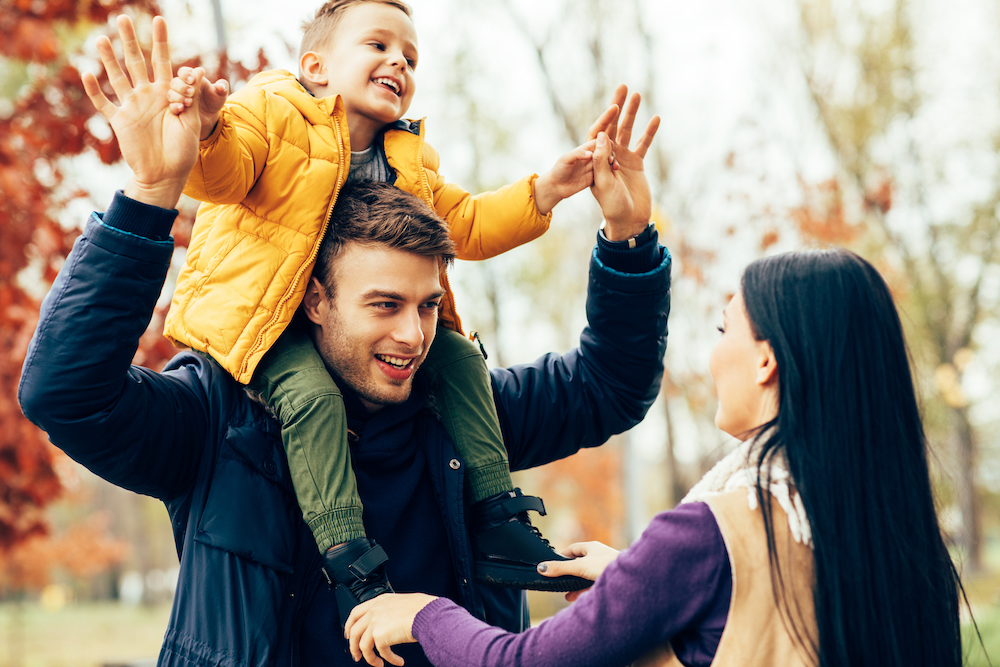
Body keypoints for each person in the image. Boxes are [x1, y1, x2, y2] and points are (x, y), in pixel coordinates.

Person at [17, 14, 668, 667]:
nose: (412, 335)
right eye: (384, 305)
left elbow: (609, 383)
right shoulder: (223, 423)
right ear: (316, 300)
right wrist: (151, 194)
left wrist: (629, 233)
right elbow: (66, 394)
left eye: (428, 305)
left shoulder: (464, 413)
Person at [159, 0, 619, 604]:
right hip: (267, 321)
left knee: (457, 359)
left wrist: (544, 193)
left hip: (354, 324)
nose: (398, 62)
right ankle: (347, 555)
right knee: (311, 398)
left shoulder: (407, 158)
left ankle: (498, 519)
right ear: (317, 67)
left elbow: (465, 223)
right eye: (378, 46)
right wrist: (210, 130)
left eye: (410, 56)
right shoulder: (272, 113)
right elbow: (223, 175)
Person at [343, 250, 966, 667]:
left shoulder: (707, 538)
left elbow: (525, 662)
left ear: (766, 362)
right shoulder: (898, 533)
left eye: (725, 331)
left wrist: (426, 614)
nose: (714, 354)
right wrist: (634, 575)